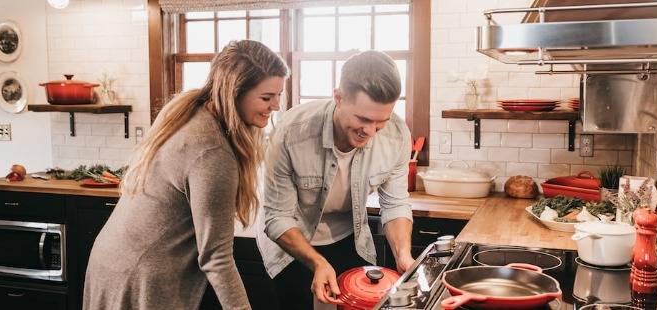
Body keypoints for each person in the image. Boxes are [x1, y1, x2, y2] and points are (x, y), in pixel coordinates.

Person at [83, 40, 288, 310]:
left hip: (113, 263)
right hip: (141, 276)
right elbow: (217, 257)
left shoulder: (192, 111)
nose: (275, 106)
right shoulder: (213, 150)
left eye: (278, 95)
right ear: (234, 92)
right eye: (266, 97)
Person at [256, 50, 414, 309]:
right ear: (338, 98)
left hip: (350, 238)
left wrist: (403, 255)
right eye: (363, 119)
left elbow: (395, 204)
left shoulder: (396, 135)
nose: (371, 132)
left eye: (381, 121)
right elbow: (277, 217)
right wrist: (318, 262)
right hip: (292, 243)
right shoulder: (291, 132)